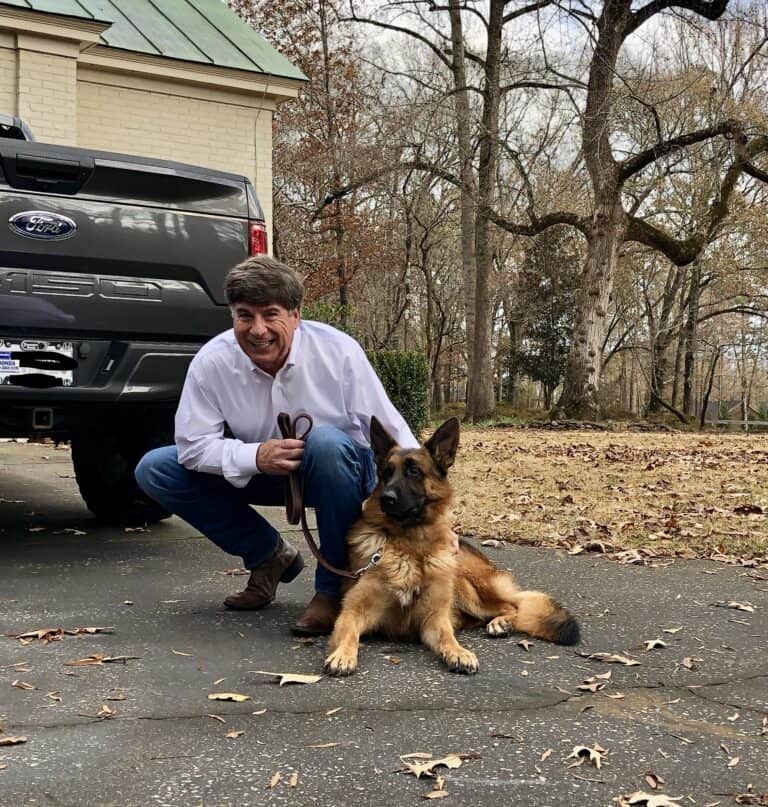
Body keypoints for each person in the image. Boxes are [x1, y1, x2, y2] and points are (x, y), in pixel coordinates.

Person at [134, 255, 417, 636]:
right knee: (157, 469)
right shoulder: (212, 362)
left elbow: (392, 432)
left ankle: (332, 590)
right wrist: (255, 455)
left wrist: (430, 512)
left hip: (342, 473)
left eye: (271, 314)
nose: (258, 329)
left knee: (326, 443)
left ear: (296, 315)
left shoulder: (339, 352)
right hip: (266, 472)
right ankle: (269, 556)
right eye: (244, 315)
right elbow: (193, 446)